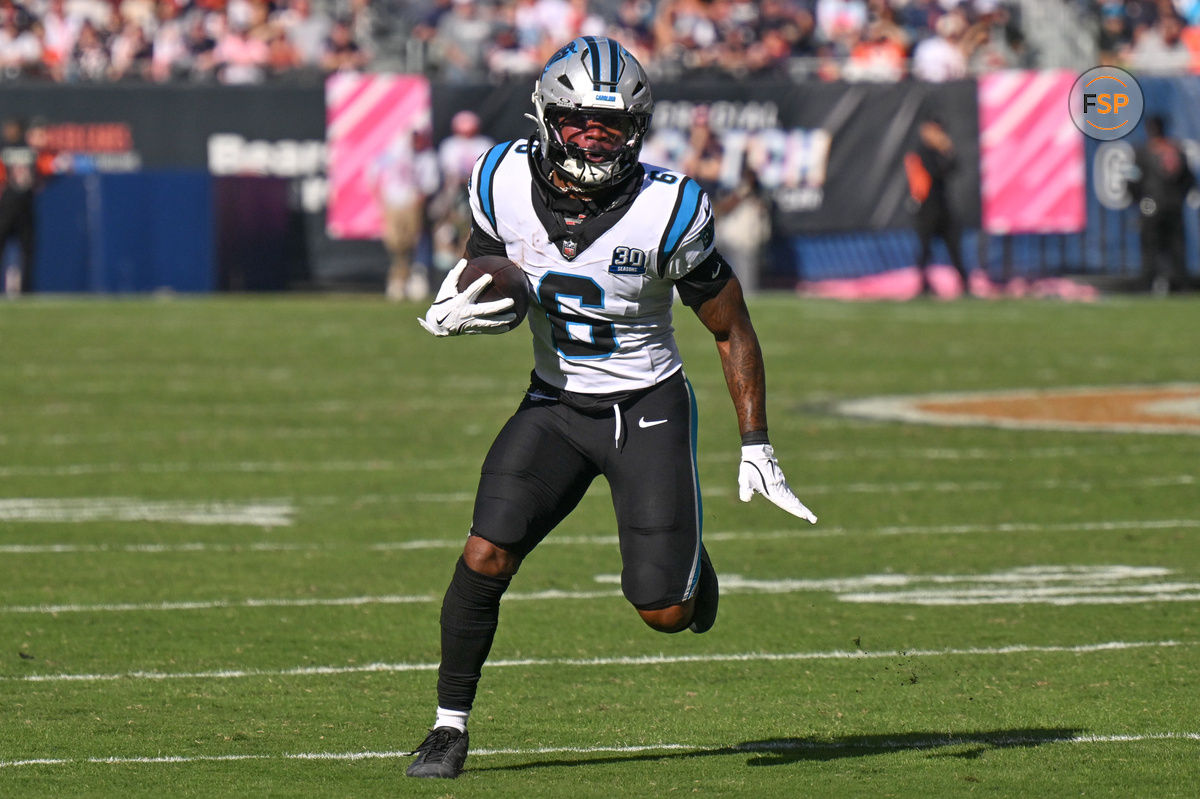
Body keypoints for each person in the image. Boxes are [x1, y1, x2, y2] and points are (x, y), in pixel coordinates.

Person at [406, 36, 818, 780]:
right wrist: (460, 301)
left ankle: (689, 569)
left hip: (647, 406)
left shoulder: (668, 208)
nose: (594, 138)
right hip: (555, 403)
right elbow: (488, 262)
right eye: (579, 122)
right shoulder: (498, 176)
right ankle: (447, 724)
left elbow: (730, 327)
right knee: (484, 552)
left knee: (665, 612)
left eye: (611, 126)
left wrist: (756, 441)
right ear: (546, 117)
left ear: (635, 131)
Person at [1127, 115, 1195, 295]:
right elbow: (1189, 179)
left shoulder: (1143, 151)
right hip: (1173, 204)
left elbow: (1133, 179)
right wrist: (1179, 197)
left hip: (1150, 205)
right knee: (1176, 246)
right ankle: (1179, 283)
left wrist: (1135, 199)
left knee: (1150, 245)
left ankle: (1148, 282)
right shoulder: (1176, 150)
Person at [370, 127, 439, 301]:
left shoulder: (427, 157)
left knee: (413, 240)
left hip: (411, 201)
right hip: (393, 202)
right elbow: (374, 171)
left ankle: (415, 276)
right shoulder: (395, 153)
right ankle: (398, 278)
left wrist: (417, 201)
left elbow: (429, 184)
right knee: (395, 242)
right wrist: (381, 197)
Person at [905, 115, 969, 297]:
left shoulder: (939, 151)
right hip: (926, 207)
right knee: (925, 248)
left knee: (954, 245)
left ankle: (965, 284)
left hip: (942, 205)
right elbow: (935, 172)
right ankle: (923, 285)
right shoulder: (921, 151)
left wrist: (948, 150)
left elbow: (954, 167)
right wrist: (943, 151)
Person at [0, 117, 55, 295]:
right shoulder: (32, 151)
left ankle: (24, 289)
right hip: (23, 202)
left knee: (25, 249)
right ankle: (25, 289)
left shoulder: (6, 149)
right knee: (27, 250)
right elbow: (48, 169)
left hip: (10, 203)